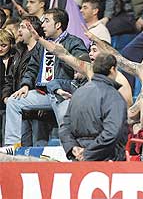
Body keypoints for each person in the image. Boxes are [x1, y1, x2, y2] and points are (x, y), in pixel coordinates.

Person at [4, 8, 88, 146]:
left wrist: (61, 54)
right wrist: (25, 85)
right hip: (42, 92)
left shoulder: (74, 42)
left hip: (62, 92)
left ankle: (68, 149)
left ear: (58, 25)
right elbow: (32, 68)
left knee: (63, 112)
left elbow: (82, 67)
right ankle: (11, 146)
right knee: (13, 101)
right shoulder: (41, 45)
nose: (42, 24)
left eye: (47, 20)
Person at [59, 53, 128, 161]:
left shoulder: (78, 93)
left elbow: (65, 127)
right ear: (113, 69)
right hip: (106, 160)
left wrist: (73, 147)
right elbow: (112, 132)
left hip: (78, 159)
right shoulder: (113, 96)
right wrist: (87, 153)